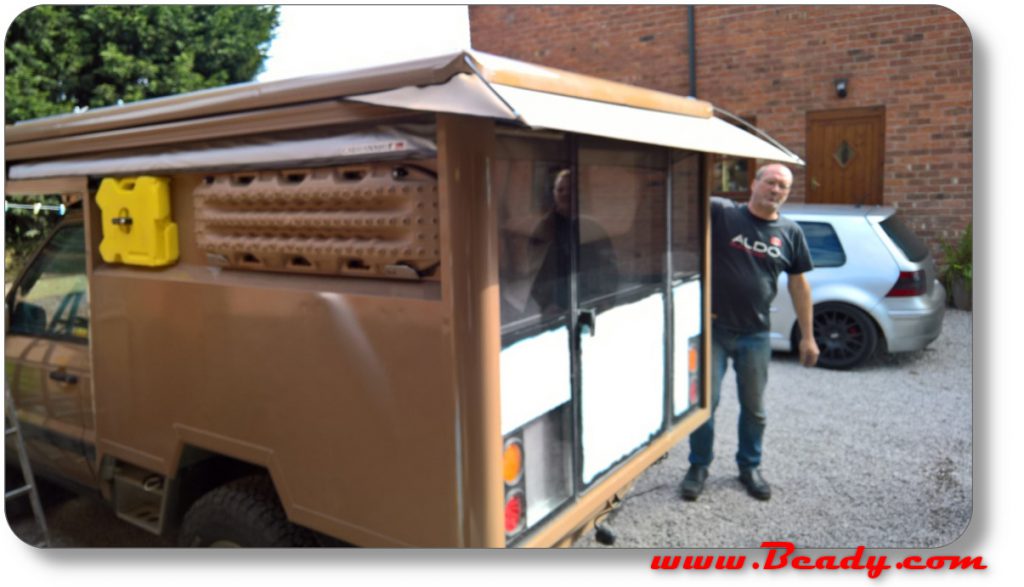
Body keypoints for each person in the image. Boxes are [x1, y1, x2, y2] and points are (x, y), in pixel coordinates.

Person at [680, 163, 819, 502]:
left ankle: (749, 467)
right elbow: (688, 193)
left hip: (756, 334)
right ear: (754, 184)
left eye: (783, 187)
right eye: (770, 182)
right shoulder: (723, 214)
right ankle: (698, 466)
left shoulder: (790, 232)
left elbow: (799, 284)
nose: (776, 190)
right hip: (712, 328)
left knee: (754, 407)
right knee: (703, 404)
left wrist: (808, 336)